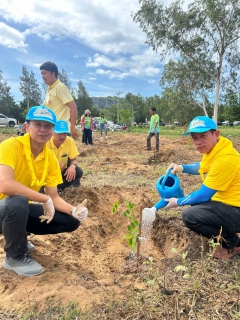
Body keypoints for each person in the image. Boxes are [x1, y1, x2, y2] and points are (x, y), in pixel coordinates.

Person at [0, 106, 88, 277]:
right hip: (4, 208)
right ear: (26, 126)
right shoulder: (10, 146)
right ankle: (15, 257)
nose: (43, 130)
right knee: (17, 202)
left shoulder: (49, 158)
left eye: (48, 126)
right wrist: (43, 199)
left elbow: (54, 197)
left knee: (70, 221)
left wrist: (73, 210)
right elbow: (5, 185)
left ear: (52, 129)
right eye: (37, 124)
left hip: (17, 211)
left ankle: (20, 238)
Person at [165, 116, 240, 259]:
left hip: (236, 210)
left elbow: (204, 195)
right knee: (195, 204)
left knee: (190, 216)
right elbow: (201, 166)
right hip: (229, 204)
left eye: (203, 136)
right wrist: (182, 167)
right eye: (194, 138)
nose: (198, 142)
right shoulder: (217, 148)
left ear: (216, 134)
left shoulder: (225, 159)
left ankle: (233, 243)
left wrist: (178, 201)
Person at [40, 61, 79, 139]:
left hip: (61, 131)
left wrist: (72, 127)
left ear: (53, 74)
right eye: (41, 74)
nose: (42, 76)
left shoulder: (60, 87)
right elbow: (44, 108)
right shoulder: (49, 89)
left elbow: (73, 106)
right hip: (52, 129)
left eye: (44, 73)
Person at [47, 119, 83, 191]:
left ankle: (60, 188)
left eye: (64, 133)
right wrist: (55, 163)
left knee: (78, 171)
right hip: (47, 174)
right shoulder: (45, 142)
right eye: (59, 133)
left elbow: (74, 160)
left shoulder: (69, 141)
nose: (62, 136)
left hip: (60, 173)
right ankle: (46, 189)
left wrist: (73, 166)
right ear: (52, 132)